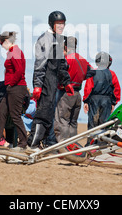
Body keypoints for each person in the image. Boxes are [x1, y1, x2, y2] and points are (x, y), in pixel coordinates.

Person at [27, 11, 74, 152]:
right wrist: (37, 85)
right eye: (58, 24)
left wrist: (66, 82)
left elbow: (60, 65)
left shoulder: (58, 40)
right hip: (45, 80)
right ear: (51, 24)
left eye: (63, 23)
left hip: (54, 81)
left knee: (49, 114)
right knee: (43, 113)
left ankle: (43, 143)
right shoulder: (45, 39)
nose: (61, 26)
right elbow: (40, 64)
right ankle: (32, 144)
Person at [0, 31, 29, 152]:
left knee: (15, 116)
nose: (1, 46)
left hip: (16, 87)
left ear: (6, 41)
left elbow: (19, 71)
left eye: (1, 43)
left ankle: (23, 143)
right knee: (1, 113)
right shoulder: (12, 52)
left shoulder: (15, 52)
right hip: (12, 88)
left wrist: (11, 84)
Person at [54, 36, 91, 142]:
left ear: (65, 46)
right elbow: (91, 72)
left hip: (66, 92)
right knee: (73, 122)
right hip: (77, 93)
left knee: (62, 120)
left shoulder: (67, 59)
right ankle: (72, 146)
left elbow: (60, 74)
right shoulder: (83, 60)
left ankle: (63, 146)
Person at [83, 52, 121, 137]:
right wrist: (113, 103)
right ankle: (102, 143)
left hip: (94, 99)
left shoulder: (93, 72)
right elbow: (116, 90)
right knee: (104, 123)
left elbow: (88, 88)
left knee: (92, 123)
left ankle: (90, 144)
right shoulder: (112, 74)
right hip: (106, 100)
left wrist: (86, 101)